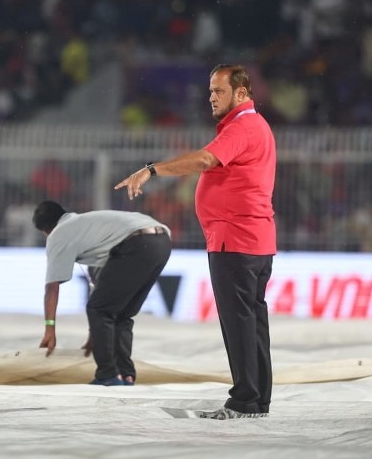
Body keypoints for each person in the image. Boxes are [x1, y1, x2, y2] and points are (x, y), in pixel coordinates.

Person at [115, 64, 276, 419]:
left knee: (239, 324)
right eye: (210, 91)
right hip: (253, 240)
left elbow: (205, 159)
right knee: (251, 323)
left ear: (242, 94)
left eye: (219, 91)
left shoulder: (243, 125)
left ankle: (245, 401)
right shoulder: (255, 126)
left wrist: (151, 169)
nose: (212, 97)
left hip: (234, 241)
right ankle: (258, 399)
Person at [32, 200, 171, 385]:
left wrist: (50, 328)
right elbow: (100, 287)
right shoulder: (87, 227)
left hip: (136, 243)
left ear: (45, 230)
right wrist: (96, 335)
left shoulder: (58, 234)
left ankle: (108, 375)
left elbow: (52, 286)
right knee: (122, 313)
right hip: (161, 241)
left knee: (99, 310)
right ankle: (126, 374)